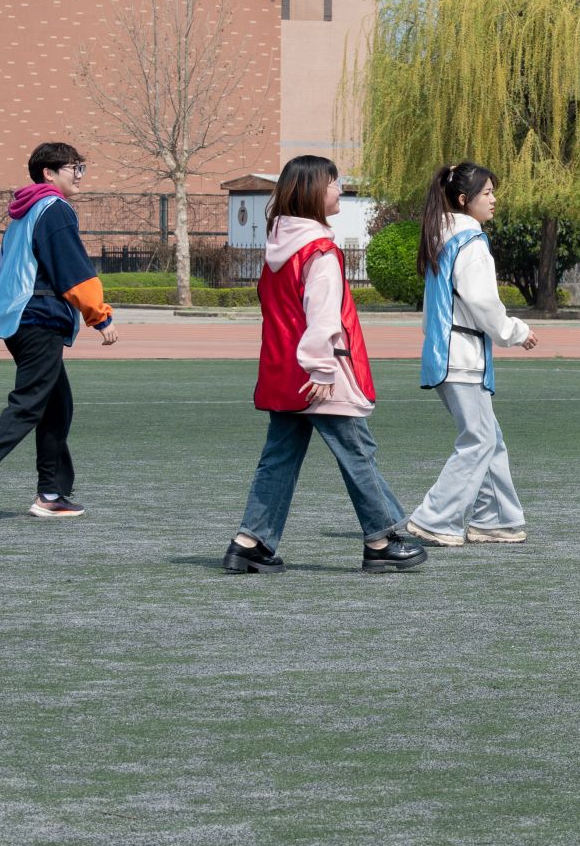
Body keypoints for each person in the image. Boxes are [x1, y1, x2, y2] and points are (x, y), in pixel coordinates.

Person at [222, 155, 426, 574]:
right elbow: (323, 316)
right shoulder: (319, 250)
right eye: (333, 183)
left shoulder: (279, 244)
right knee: (357, 450)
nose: (339, 189)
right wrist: (320, 367)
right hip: (320, 375)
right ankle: (381, 539)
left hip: (283, 371)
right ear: (315, 191)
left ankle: (250, 542)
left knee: (279, 457)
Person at [0, 141, 118, 523]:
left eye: (81, 167)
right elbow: (74, 269)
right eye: (75, 167)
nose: (79, 175)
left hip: (20, 322)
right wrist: (99, 315)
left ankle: (51, 494)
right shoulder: (55, 210)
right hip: (40, 318)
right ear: (48, 173)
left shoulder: (23, 215)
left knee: (57, 404)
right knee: (30, 403)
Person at [406, 161, 539, 548]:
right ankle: (437, 518)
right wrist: (517, 332)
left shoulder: (442, 236)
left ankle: (497, 519)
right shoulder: (471, 242)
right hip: (461, 357)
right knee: (479, 440)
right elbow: (483, 302)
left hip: (446, 355)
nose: (494, 200)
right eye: (487, 193)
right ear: (464, 200)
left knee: (488, 438)